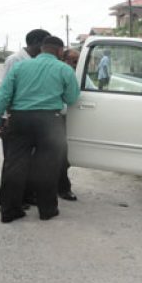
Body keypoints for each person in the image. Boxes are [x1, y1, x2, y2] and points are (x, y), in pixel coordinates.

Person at [0, 36, 80, 223]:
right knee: (48, 166)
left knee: (14, 165)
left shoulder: (20, 67)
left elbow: (3, 94)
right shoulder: (64, 69)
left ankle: (9, 210)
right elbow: (72, 99)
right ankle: (47, 210)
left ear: (41, 49)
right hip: (49, 121)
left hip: (20, 119)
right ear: (59, 51)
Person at [0, 29, 51, 207]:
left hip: (30, 118)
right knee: (13, 162)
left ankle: (25, 196)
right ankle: (8, 200)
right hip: (14, 117)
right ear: (36, 42)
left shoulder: (36, 61)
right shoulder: (15, 60)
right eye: (45, 44)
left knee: (29, 162)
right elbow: (6, 91)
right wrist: (4, 118)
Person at [57, 48, 81, 201]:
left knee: (63, 156)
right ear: (64, 59)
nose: (74, 64)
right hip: (58, 117)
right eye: (72, 60)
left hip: (72, 118)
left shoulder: (76, 73)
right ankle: (62, 188)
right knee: (60, 156)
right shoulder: (60, 72)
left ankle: (61, 187)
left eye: (77, 61)